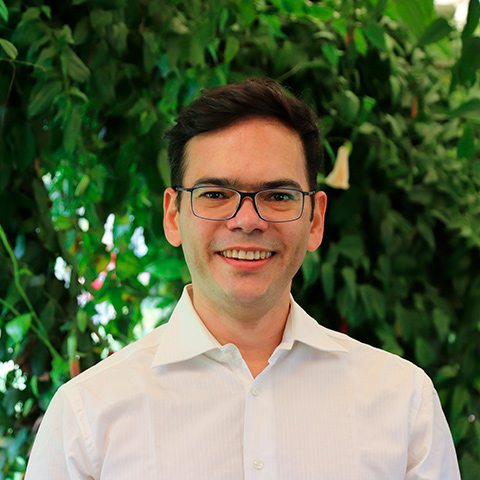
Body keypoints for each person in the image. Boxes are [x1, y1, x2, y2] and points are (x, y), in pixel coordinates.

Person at [25, 78, 460, 479]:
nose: (247, 220)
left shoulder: (403, 404)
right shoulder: (86, 418)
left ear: (315, 220)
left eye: (278, 195)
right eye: (216, 194)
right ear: (173, 216)